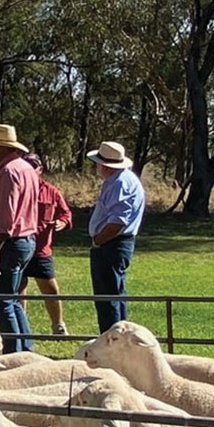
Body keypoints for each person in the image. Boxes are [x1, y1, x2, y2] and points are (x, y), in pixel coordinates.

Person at [0, 123, 39, 353]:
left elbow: (5, 218)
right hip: (26, 239)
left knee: (2, 302)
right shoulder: (26, 168)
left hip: (11, 242)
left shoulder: (8, 172)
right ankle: (25, 349)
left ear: (0, 147)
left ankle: (13, 352)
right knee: (12, 299)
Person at [87, 140, 146, 333]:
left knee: (108, 298)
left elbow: (117, 222)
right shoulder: (121, 180)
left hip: (111, 245)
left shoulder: (119, 183)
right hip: (115, 244)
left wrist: (98, 240)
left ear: (105, 165)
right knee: (114, 294)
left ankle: (112, 339)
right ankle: (118, 337)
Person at [18, 152, 73, 336]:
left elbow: (65, 214)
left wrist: (61, 223)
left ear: (40, 169)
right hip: (19, 246)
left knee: (50, 289)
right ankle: (21, 327)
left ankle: (58, 326)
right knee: (18, 288)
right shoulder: (16, 189)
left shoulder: (51, 191)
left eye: (33, 167)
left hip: (41, 250)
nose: (29, 170)